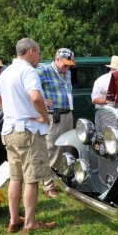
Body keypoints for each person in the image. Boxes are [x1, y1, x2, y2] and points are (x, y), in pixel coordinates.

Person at [0, 38, 56, 233]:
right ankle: (30, 223)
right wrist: (44, 117)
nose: (40, 57)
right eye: (39, 52)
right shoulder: (28, 71)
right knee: (32, 179)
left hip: (9, 132)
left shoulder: (7, 71)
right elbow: (35, 96)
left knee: (16, 177)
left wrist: (9, 110)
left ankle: (14, 219)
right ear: (32, 51)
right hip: (27, 132)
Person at [37, 48, 76, 198]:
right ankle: (48, 185)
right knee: (52, 150)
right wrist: (40, 100)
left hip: (67, 114)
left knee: (67, 148)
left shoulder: (67, 71)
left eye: (70, 64)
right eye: (65, 64)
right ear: (57, 59)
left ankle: (61, 179)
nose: (68, 67)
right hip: (55, 116)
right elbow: (26, 87)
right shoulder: (44, 70)